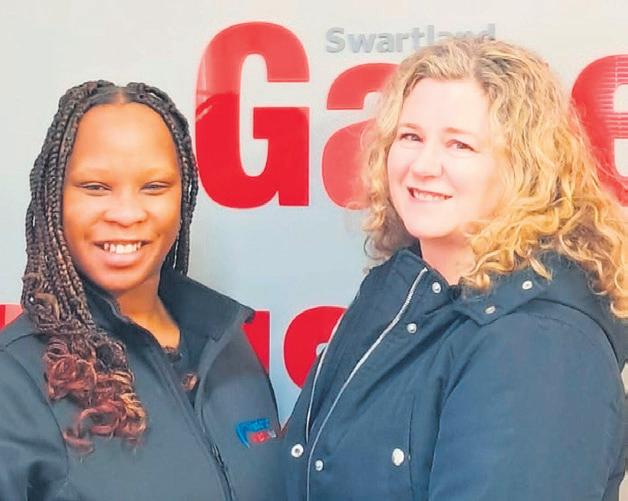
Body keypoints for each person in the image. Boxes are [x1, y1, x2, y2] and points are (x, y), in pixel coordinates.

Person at [284, 37, 627, 500]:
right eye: (411, 136)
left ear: (523, 169)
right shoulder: (399, 292)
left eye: (460, 145)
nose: (424, 166)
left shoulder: (540, 344)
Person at [0, 80, 282, 500]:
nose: (127, 213)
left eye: (154, 187)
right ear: (54, 198)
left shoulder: (224, 343)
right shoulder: (14, 379)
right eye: (95, 187)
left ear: (183, 199)